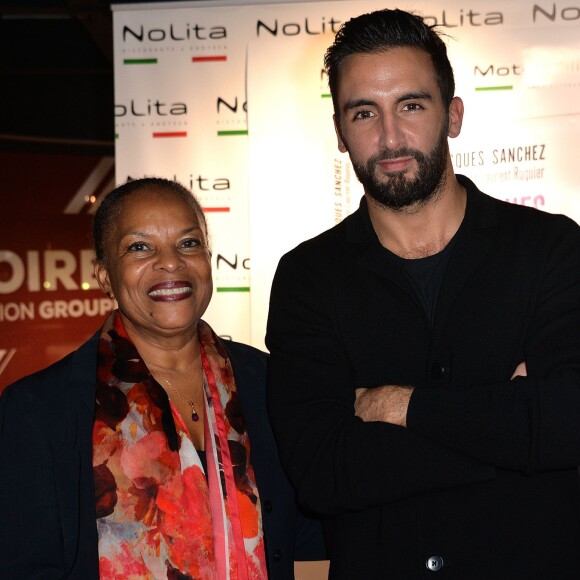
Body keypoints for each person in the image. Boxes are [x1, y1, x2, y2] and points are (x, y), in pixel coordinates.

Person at [266, 8, 580, 579]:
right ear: (340, 132)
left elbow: (568, 423)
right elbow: (323, 474)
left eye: (411, 105)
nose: (389, 137)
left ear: (453, 115)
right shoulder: (307, 278)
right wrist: (505, 429)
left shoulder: (550, 248)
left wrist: (402, 408)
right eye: (365, 113)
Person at [0, 177, 325, 579]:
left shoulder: (267, 382)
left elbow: (315, 524)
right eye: (140, 247)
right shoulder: (39, 409)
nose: (171, 261)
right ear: (104, 276)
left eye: (188, 243)